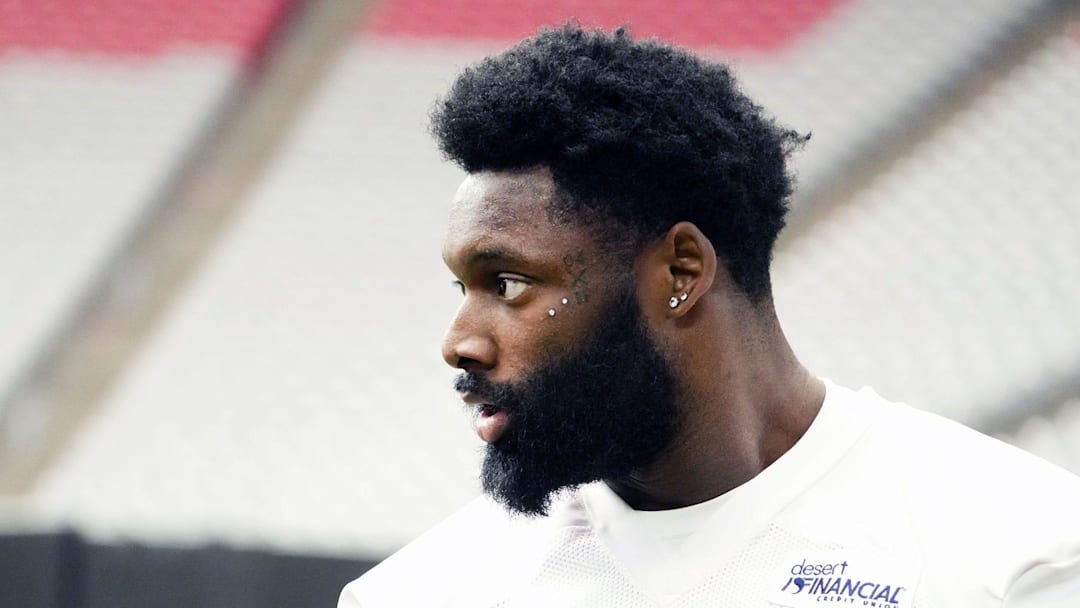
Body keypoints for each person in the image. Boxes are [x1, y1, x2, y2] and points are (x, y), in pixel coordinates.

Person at [339, 24, 1080, 607]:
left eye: (507, 282)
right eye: (461, 288)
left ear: (682, 273)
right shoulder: (422, 594)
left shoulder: (1018, 554)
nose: (459, 342)